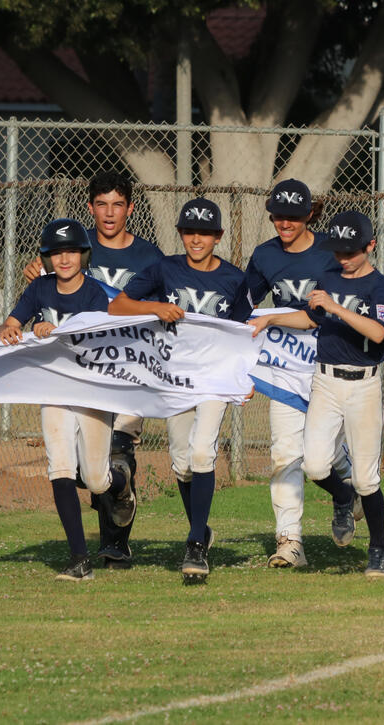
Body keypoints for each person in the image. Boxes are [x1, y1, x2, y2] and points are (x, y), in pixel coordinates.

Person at [109, 198, 252, 584]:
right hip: (174, 378)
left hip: (215, 378)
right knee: (181, 463)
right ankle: (200, 530)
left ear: (218, 236)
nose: (196, 239)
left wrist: (243, 378)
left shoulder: (235, 279)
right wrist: (154, 307)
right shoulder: (164, 268)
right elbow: (118, 306)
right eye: (189, 231)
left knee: (203, 452)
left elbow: (245, 334)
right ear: (181, 234)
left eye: (205, 232)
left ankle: (195, 545)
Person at [23, 172, 162, 568]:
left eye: (117, 204)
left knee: (118, 449)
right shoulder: (74, 246)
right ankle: (105, 512)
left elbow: (158, 307)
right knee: (88, 469)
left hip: (126, 365)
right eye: (101, 204)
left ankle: (115, 543)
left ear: (130, 208)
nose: (109, 213)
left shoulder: (148, 256)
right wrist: (37, 274)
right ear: (90, 208)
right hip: (73, 370)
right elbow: (47, 287)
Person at [250, 210, 384, 577]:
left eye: (351, 252)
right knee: (315, 465)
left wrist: (336, 307)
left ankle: (379, 548)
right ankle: (343, 498)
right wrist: (272, 318)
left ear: (370, 247)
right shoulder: (329, 275)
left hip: (363, 383)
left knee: (366, 478)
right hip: (325, 381)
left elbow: (378, 333)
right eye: (338, 251)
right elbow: (311, 317)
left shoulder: (378, 285)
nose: (343, 258)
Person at [0, 218, 136, 581]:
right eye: (56, 253)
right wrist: (11, 327)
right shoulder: (39, 289)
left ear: (84, 255)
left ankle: (121, 484)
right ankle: (79, 558)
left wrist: (54, 330)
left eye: (71, 251)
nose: (64, 259)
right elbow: (10, 322)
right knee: (59, 467)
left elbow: (91, 338)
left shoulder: (93, 293)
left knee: (95, 480)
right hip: (53, 388)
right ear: (45, 258)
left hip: (91, 389)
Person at [243, 179, 354, 569]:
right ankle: (289, 540)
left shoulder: (331, 253)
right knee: (286, 452)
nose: (284, 222)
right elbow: (242, 307)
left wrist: (275, 316)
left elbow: (320, 315)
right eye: (278, 215)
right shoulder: (265, 255)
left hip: (331, 362)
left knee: (328, 456)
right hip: (287, 367)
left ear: (309, 214)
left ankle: (345, 494)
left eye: (293, 215)